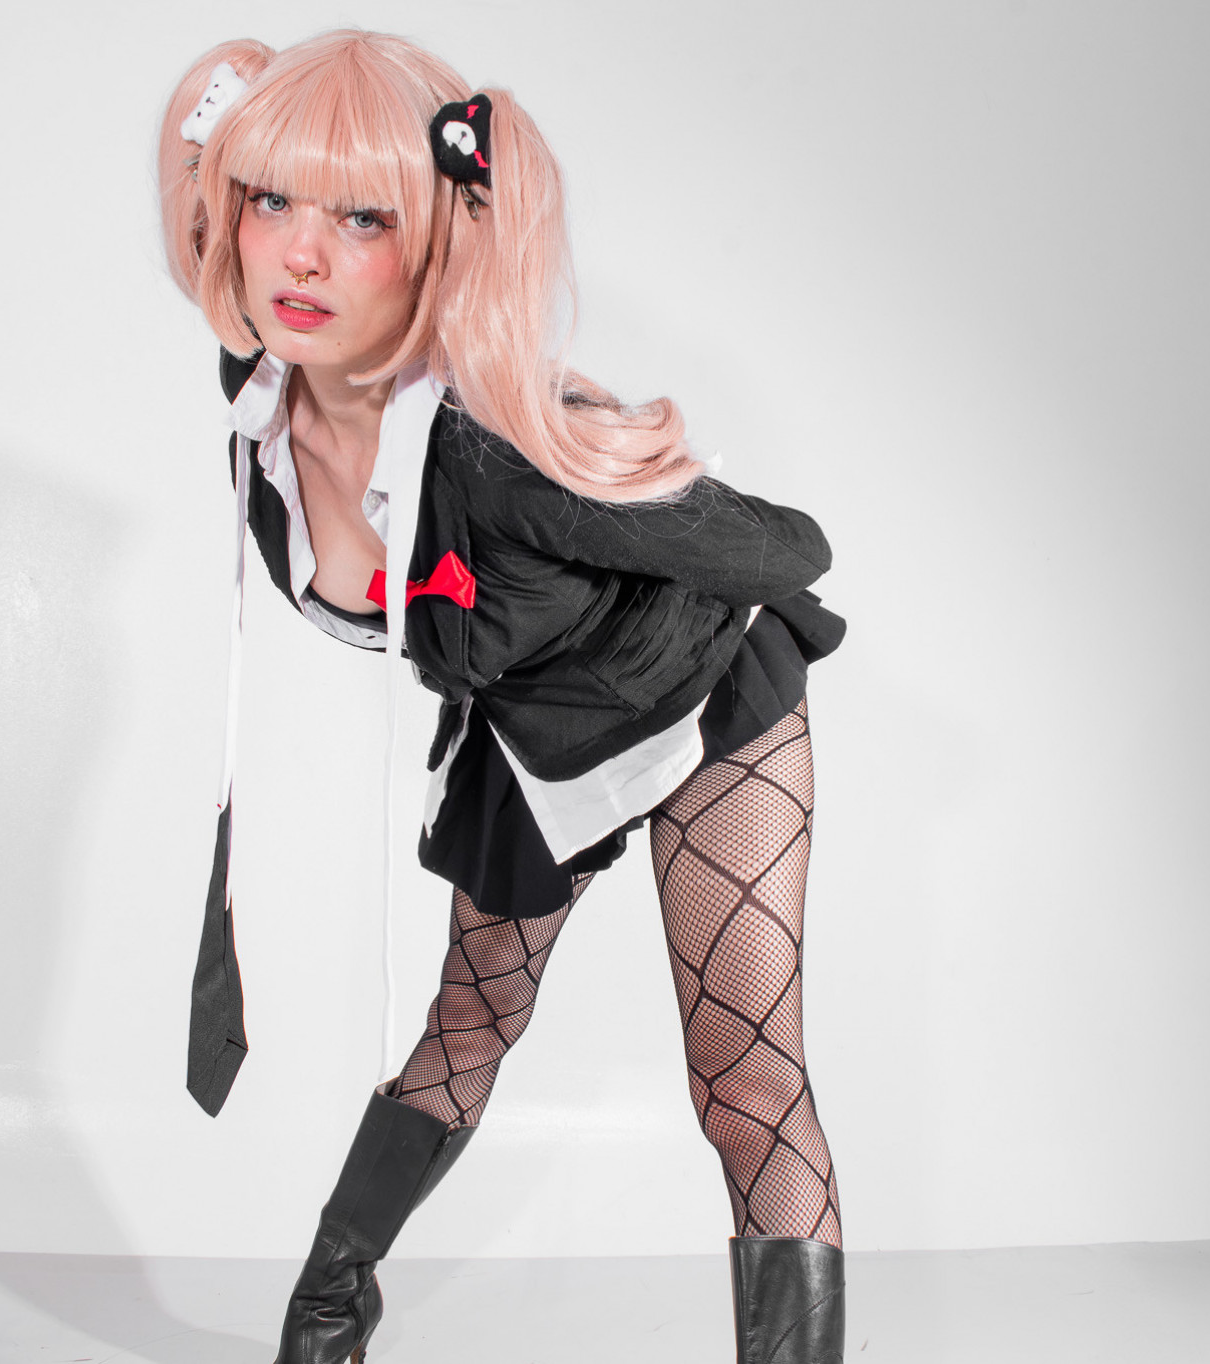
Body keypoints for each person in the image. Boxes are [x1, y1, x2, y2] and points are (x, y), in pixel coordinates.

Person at [159, 29, 847, 1364]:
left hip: (703, 708)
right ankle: (322, 1320)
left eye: (363, 217)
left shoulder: (497, 451)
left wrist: (607, 469)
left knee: (744, 1072)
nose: (302, 254)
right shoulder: (260, 406)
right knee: (466, 1021)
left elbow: (790, 549)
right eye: (271, 200)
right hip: (529, 733)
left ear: (435, 245)